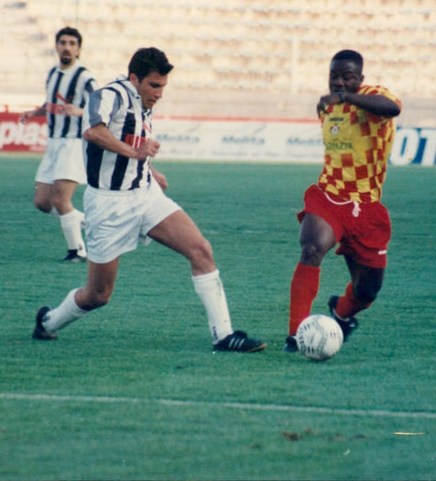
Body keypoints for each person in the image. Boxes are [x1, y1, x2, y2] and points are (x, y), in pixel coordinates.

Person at [32, 47, 266, 352]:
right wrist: (135, 154)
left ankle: (223, 335)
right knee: (98, 295)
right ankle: (48, 322)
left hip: (145, 194)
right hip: (109, 205)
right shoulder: (109, 95)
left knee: (201, 250)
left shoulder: (143, 102)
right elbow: (93, 132)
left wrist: (149, 169)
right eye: (154, 85)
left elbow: (132, 138)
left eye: (163, 87)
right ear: (134, 78)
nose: (159, 93)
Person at [284, 49, 401, 352]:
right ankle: (297, 334)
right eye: (334, 76)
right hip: (330, 197)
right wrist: (338, 99)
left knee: (368, 290)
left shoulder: (373, 96)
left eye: (347, 77)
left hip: (367, 207)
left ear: (360, 79)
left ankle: (341, 312)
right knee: (311, 247)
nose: (339, 82)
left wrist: (348, 96)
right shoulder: (326, 107)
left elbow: (392, 108)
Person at [21, 27, 97, 262]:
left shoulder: (85, 77)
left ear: (78, 49)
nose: (67, 47)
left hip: (73, 145)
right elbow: (51, 102)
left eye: (72, 43)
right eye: (63, 42)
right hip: (53, 144)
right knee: (42, 202)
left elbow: (101, 109)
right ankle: (88, 223)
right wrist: (36, 112)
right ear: (56, 46)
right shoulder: (53, 73)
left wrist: (80, 111)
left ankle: (78, 250)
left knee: (60, 200)